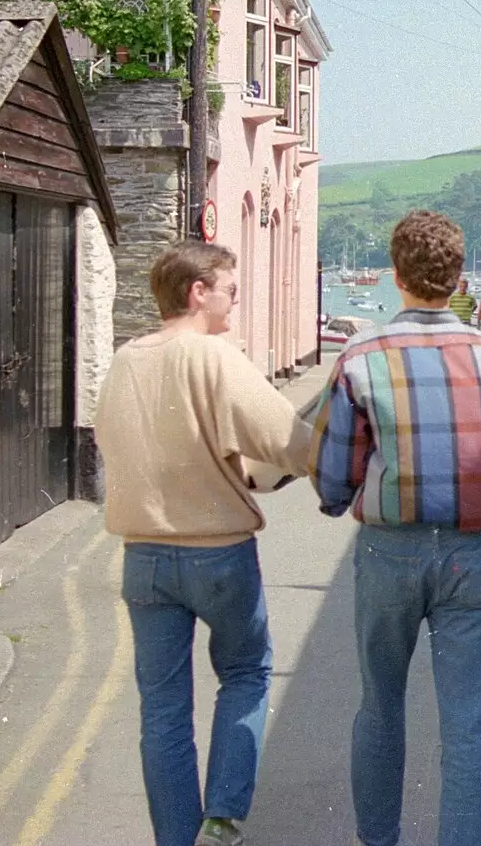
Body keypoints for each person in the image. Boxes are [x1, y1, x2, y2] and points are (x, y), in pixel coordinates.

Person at [306, 210, 481, 846]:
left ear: (395, 277)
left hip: (389, 553)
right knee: (468, 726)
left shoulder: (361, 360)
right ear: (459, 278)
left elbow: (333, 480)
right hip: (474, 554)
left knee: (380, 708)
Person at [95, 241, 307, 846]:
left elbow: (110, 441)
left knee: (162, 709)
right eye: (230, 291)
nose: (234, 302)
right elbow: (286, 439)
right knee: (245, 673)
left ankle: (174, 838)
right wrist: (334, 454)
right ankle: (221, 815)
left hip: (144, 558)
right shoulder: (214, 356)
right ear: (198, 292)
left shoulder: (125, 360)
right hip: (219, 553)